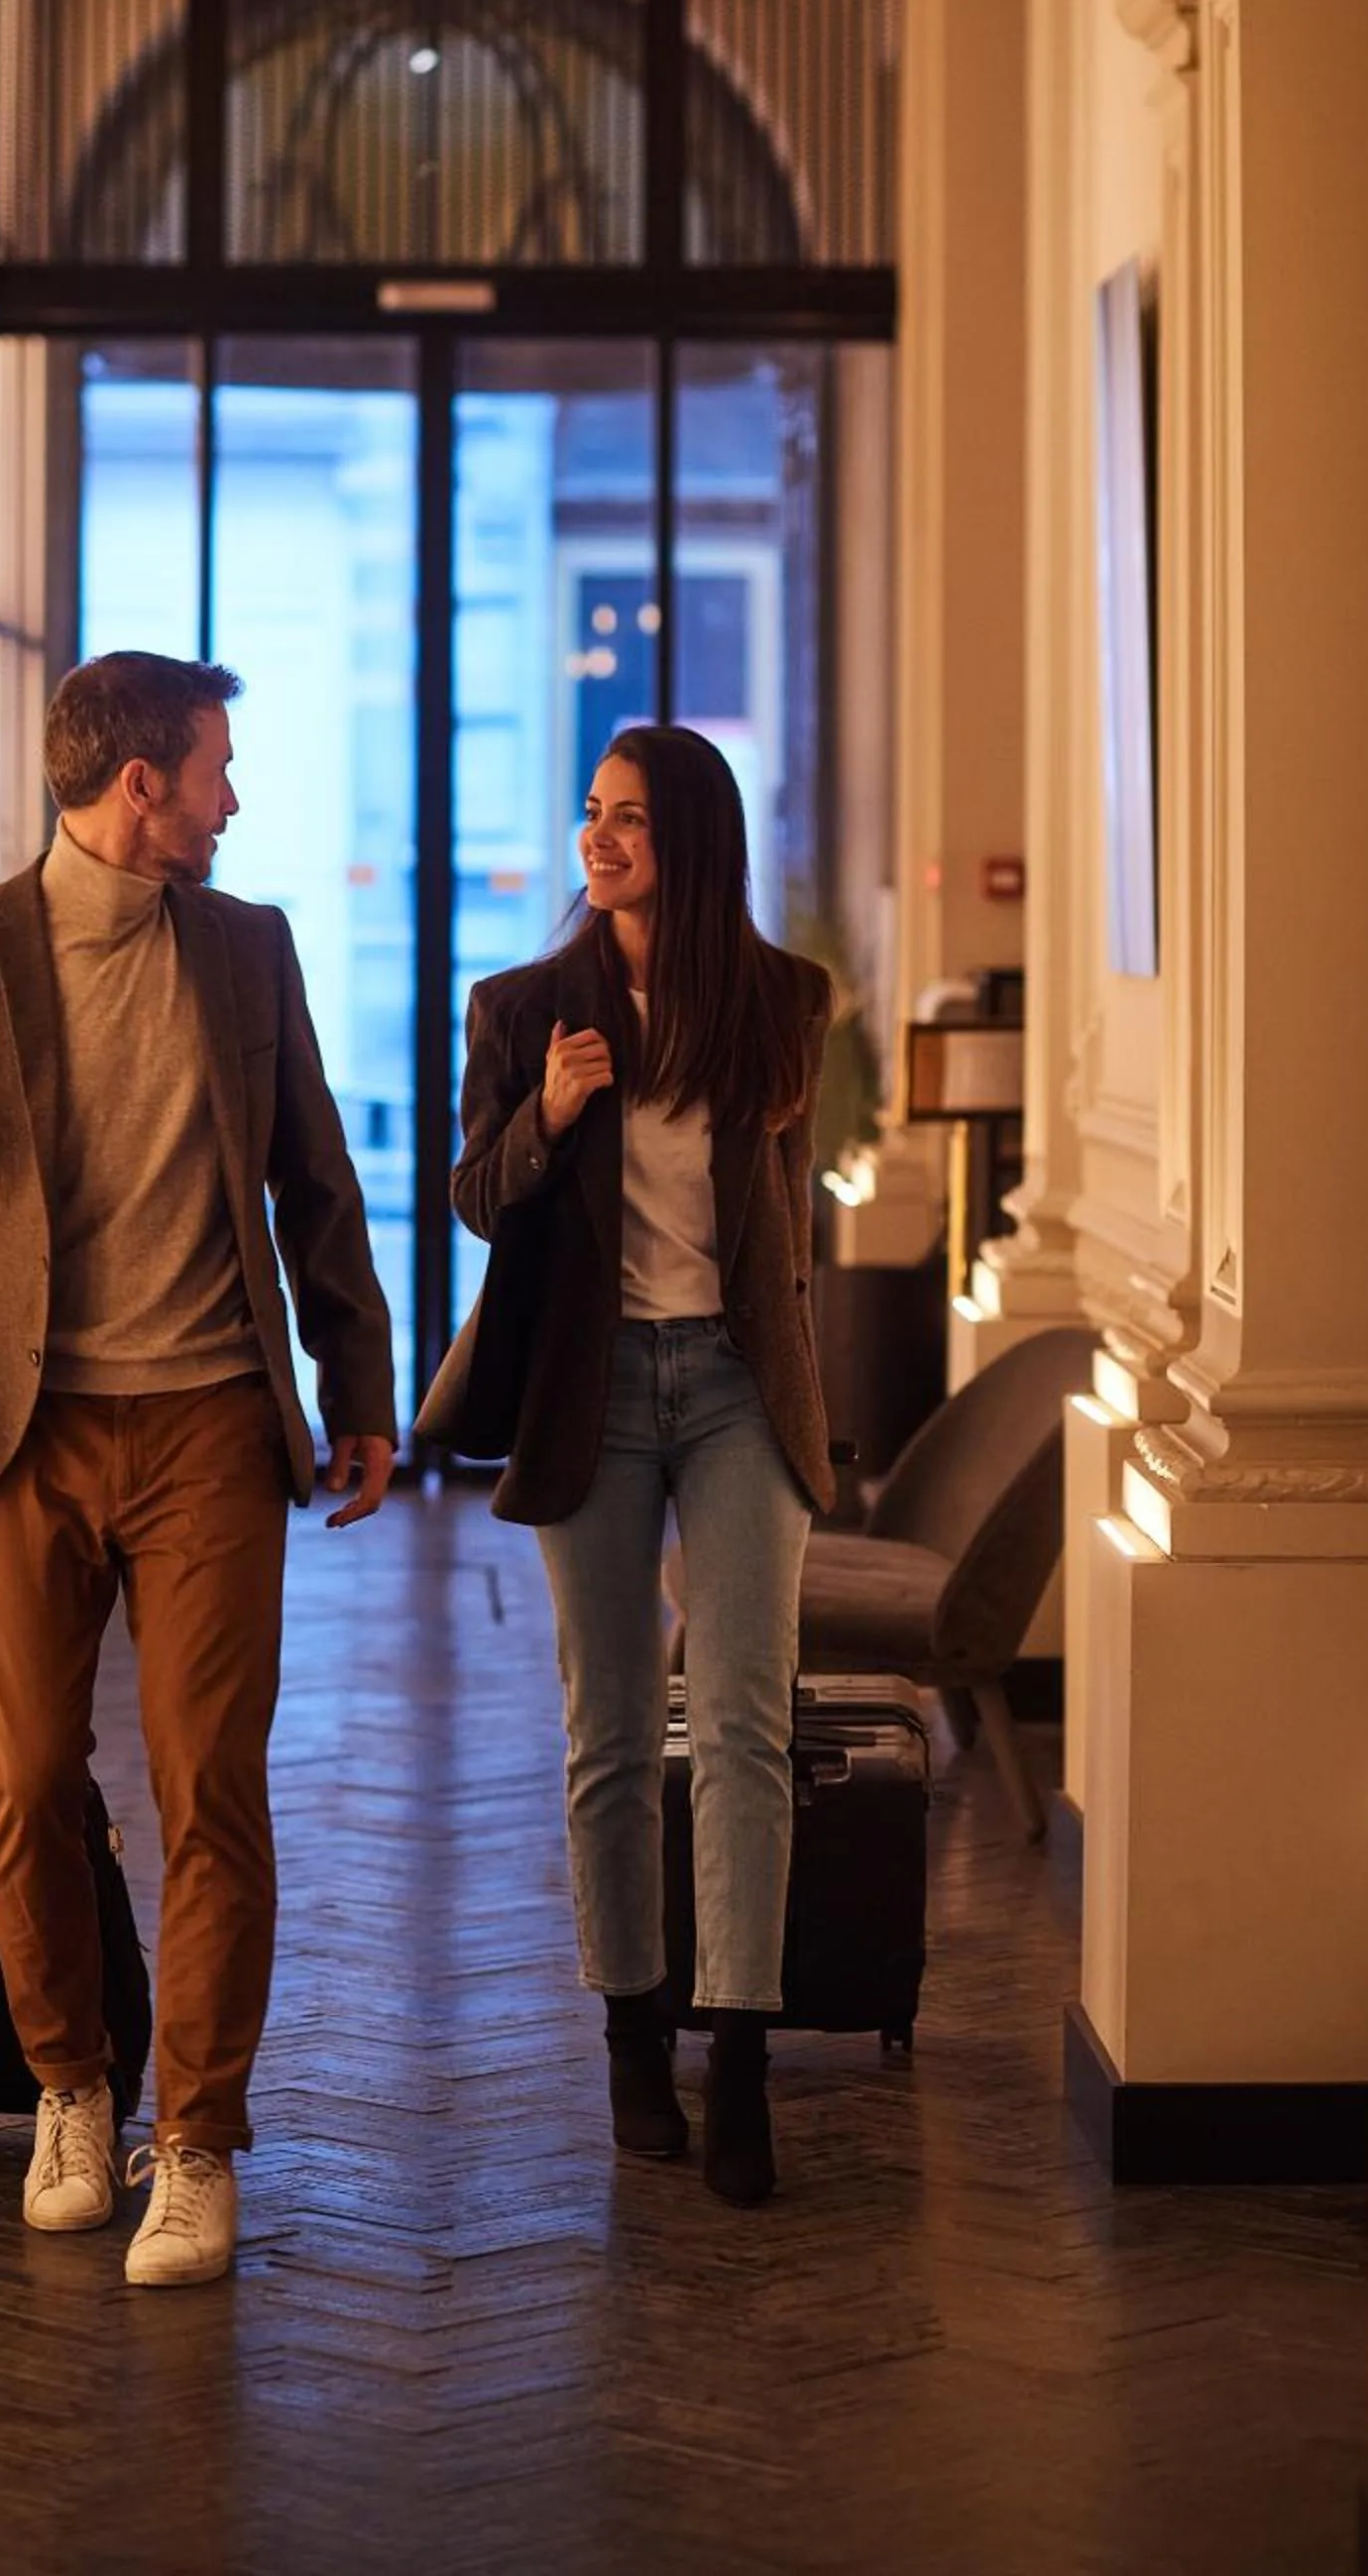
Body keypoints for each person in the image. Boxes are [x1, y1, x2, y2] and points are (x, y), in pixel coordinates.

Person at [0, 650, 398, 2287]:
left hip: (211, 1417)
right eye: (214, 768)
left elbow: (317, 1184)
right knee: (28, 1788)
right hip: (20, 1437)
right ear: (140, 782)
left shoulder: (244, 947)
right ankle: (73, 2089)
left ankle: (197, 2141)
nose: (233, 798)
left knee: (213, 1787)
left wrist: (359, 1386)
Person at [437, 725, 835, 2206]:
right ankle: (631, 2030)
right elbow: (477, 1201)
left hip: (737, 1393)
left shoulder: (786, 1006)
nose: (598, 839)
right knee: (609, 1727)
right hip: (591, 1392)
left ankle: (739, 2048)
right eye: (590, 813)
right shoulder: (527, 1005)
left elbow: (791, 1229)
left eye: (631, 821)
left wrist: (813, 1404)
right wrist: (546, 1115)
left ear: (697, 841)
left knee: (741, 1724)